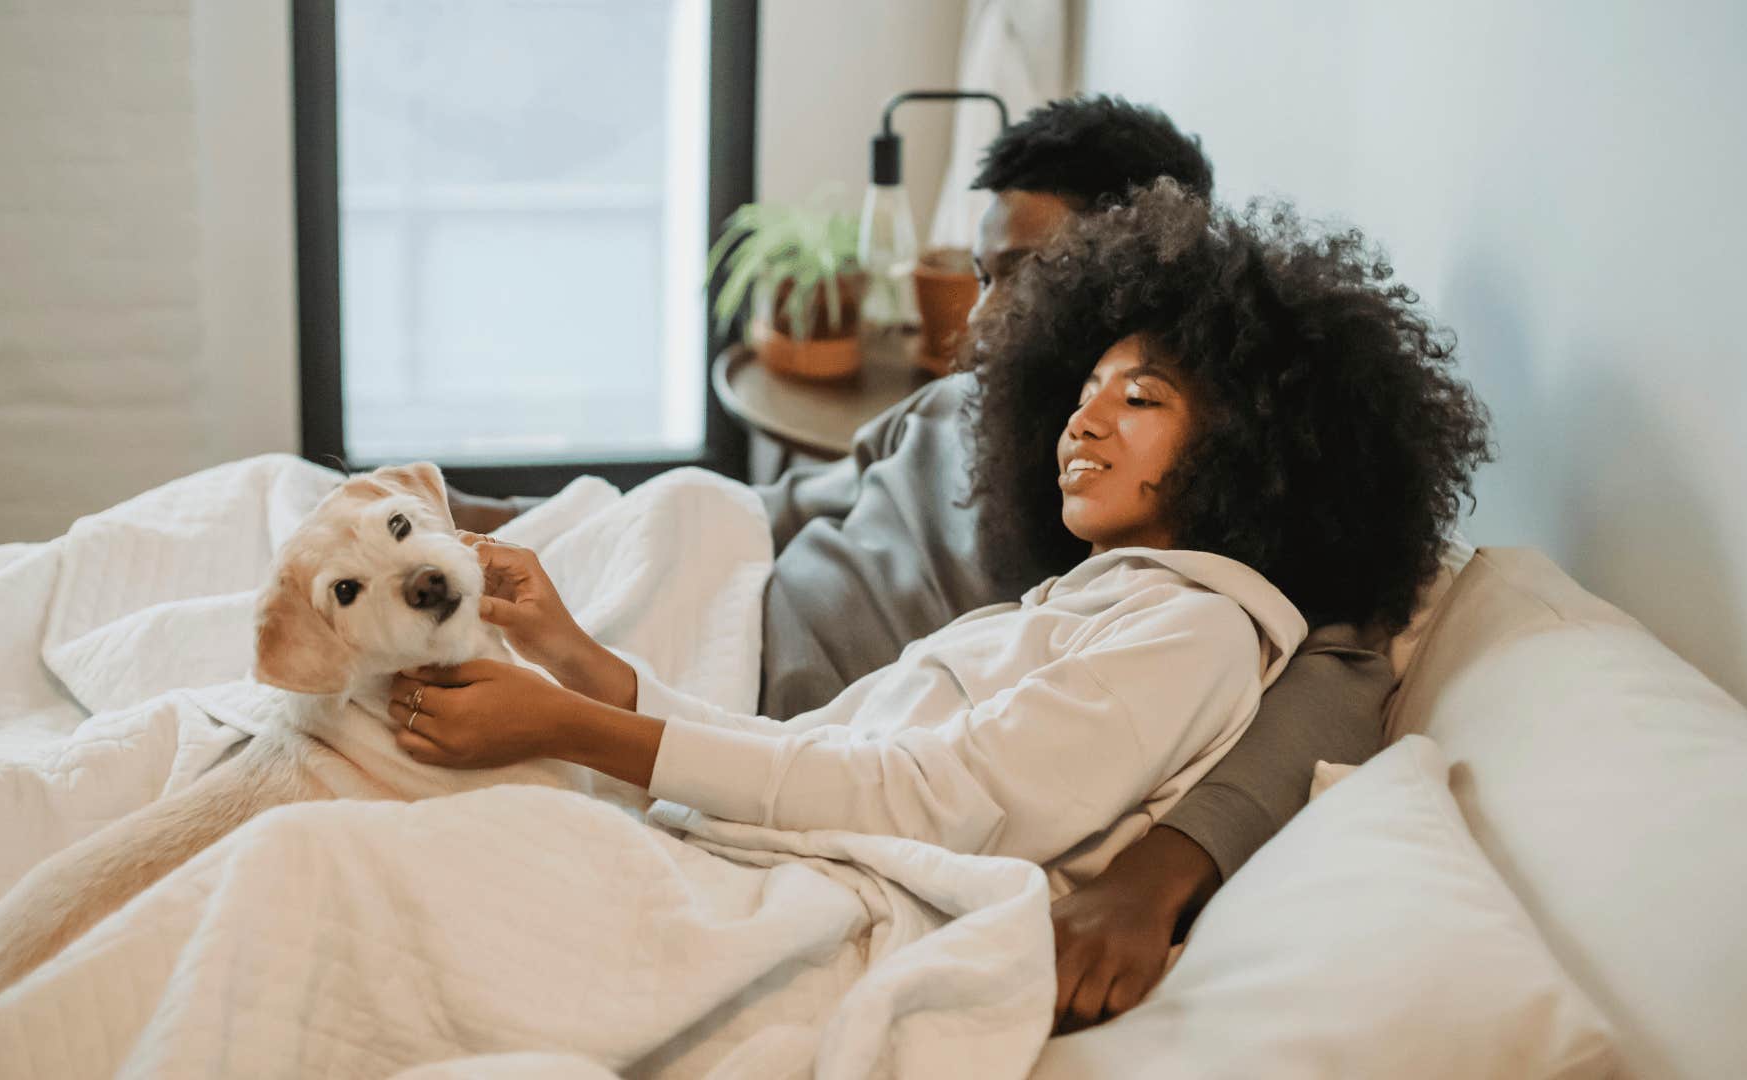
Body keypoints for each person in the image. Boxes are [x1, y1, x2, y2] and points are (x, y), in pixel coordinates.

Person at [424, 177, 1492, 1026]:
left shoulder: (1193, 628)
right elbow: (831, 719)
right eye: (1082, 395)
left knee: (368, 869)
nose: (1082, 422)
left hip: (801, 885)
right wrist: (575, 660)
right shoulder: (1072, 598)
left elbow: (919, 795)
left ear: (1252, 446)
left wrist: (582, 727)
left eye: (1140, 399)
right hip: (753, 816)